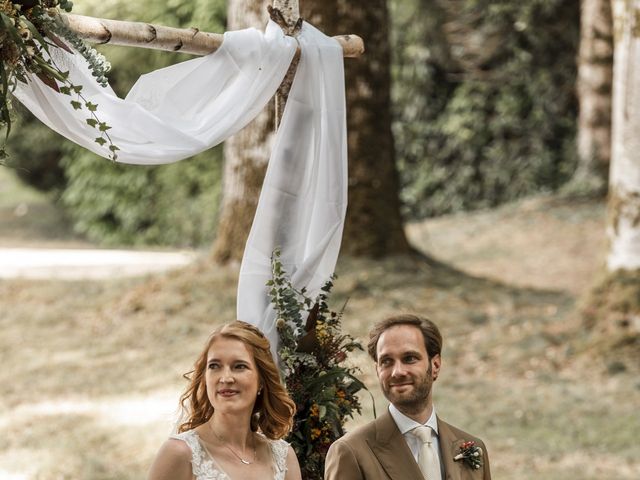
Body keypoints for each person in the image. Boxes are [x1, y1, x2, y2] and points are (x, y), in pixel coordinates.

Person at [325, 314, 491, 480]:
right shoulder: (351, 452)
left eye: (409, 358)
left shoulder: (473, 447)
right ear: (378, 370)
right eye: (386, 361)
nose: (397, 372)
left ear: (435, 365)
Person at [148, 320, 302, 480]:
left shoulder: (283, 458)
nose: (226, 378)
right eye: (214, 366)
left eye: (239, 366)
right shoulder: (179, 453)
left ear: (261, 380)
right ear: (205, 378)